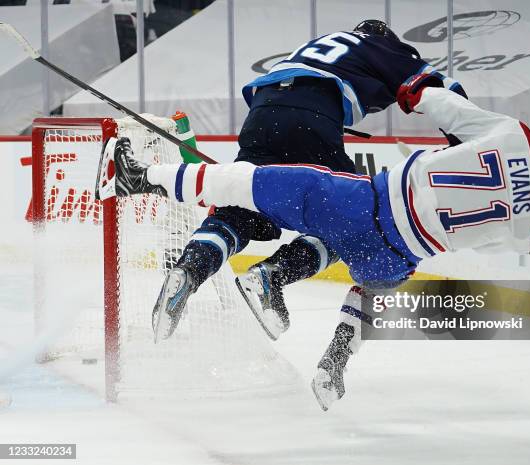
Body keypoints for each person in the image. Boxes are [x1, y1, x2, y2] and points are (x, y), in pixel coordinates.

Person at [101, 76, 530, 410]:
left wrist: (414, 91)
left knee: (248, 183)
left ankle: (137, 177)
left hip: (367, 203)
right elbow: (478, 239)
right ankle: (332, 360)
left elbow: (441, 104)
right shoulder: (529, 231)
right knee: (365, 285)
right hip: (401, 253)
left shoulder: (512, 137)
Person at [133, 19, 469, 342]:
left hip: (263, 114)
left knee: (241, 209)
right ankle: (271, 276)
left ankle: (189, 270)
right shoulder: (381, 48)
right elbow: (443, 90)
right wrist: (463, 146)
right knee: (356, 223)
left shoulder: (323, 44)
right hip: (310, 116)